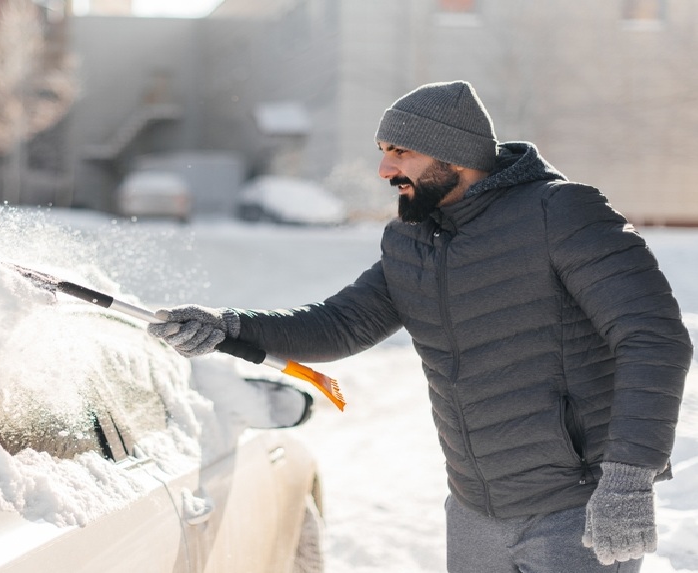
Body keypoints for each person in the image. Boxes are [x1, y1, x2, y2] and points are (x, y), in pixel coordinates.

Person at [148, 80, 692, 572]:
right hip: (475, 510)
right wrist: (230, 326)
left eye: (400, 152)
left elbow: (654, 339)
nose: (385, 170)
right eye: (383, 153)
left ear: (456, 153)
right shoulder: (412, 241)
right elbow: (340, 325)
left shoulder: (561, 211)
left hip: (575, 507)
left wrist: (627, 476)